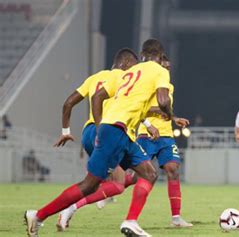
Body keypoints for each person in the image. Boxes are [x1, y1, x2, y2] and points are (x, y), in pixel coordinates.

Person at [25, 38, 171, 237]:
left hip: (124, 133)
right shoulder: (157, 71)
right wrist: (169, 113)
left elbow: (99, 96)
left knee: (149, 173)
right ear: (160, 57)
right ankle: (39, 215)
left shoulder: (129, 74)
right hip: (115, 130)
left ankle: (131, 221)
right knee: (90, 184)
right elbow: (163, 101)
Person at [52, 48, 141, 231]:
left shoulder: (95, 78)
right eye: (133, 66)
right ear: (124, 64)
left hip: (89, 134)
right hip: (107, 133)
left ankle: (102, 191)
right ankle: (68, 208)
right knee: (118, 184)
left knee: (140, 173)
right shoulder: (123, 80)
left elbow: (68, 103)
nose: (134, 71)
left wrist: (65, 131)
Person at [135, 54, 193, 227]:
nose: (167, 69)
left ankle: (176, 218)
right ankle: (107, 190)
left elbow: (165, 111)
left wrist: (174, 118)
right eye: (164, 66)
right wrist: (157, 111)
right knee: (133, 177)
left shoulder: (169, 87)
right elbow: (139, 108)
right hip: (147, 134)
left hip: (166, 136)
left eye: (169, 67)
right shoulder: (148, 83)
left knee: (173, 169)